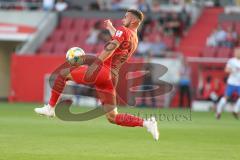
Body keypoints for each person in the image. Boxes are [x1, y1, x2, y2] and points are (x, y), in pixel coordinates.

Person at [34, 9, 159, 140]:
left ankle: (50, 108)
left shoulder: (123, 30)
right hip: (111, 77)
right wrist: (111, 27)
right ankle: (146, 123)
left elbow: (112, 47)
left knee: (63, 73)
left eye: (126, 17)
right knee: (113, 117)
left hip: (102, 71)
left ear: (134, 20)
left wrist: (96, 63)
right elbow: (119, 40)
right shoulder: (134, 38)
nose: (123, 19)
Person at [216, 47, 240, 119]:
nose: (238, 53)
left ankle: (235, 111)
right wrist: (233, 70)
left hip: (239, 83)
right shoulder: (231, 61)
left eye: (239, 52)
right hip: (231, 83)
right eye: (237, 52)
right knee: (225, 98)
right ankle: (218, 112)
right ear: (234, 53)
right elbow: (226, 70)